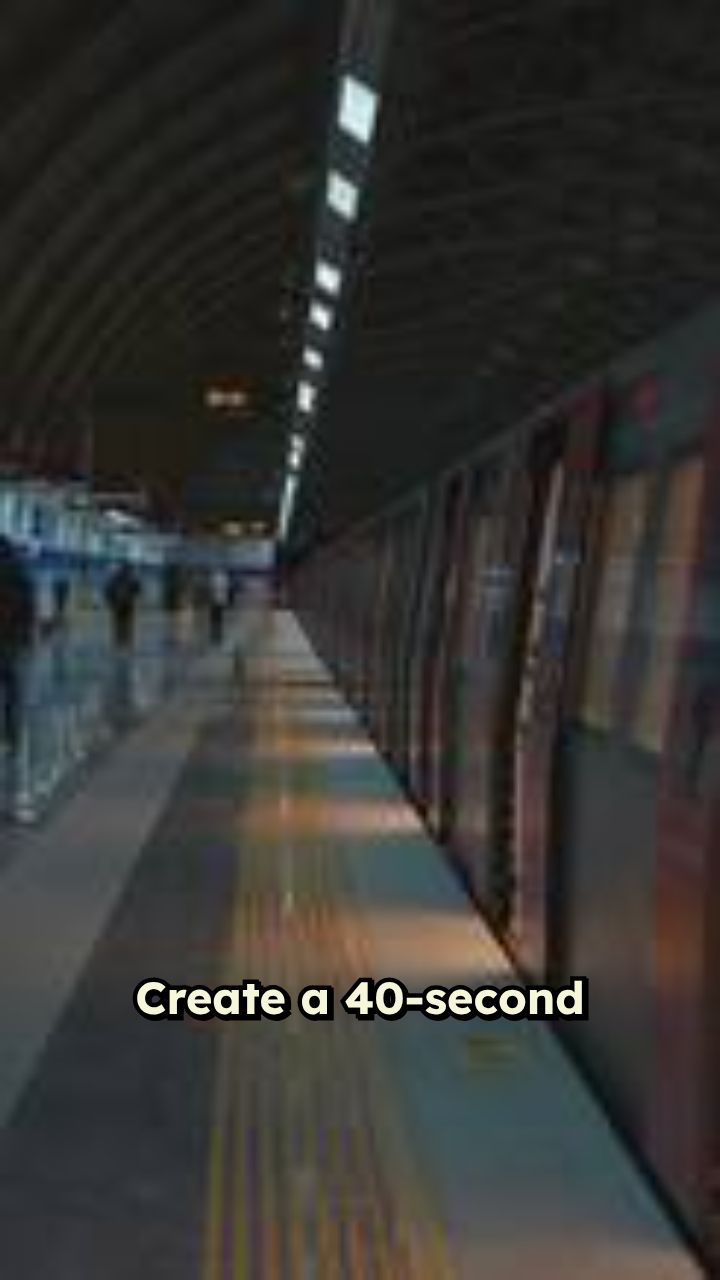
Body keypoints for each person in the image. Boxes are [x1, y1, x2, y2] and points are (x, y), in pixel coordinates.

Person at [0, 536, 35, 754]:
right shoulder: (22, 573)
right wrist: (28, 637)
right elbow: (29, 608)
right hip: (14, 640)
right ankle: (11, 739)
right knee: (14, 691)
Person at [105, 561, 141, 649]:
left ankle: (119, 641)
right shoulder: (131, 577)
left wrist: (110, 602)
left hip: (118, 604)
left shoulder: (115, 578)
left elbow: (108, 590)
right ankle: (126, 641)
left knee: (118, 623)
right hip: (128, 604)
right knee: (127, 623)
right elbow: (137, 589)